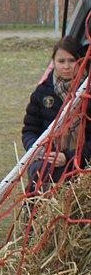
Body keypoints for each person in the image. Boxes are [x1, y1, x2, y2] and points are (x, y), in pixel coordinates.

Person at [22, 36, 91, 192]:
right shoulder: (42, 92)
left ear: (81, 61)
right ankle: (35, 214)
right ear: (53, 62)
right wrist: (40, 151)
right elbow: (29, 130)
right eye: (61, 61)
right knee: (40, 173)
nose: (66, 66)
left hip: (83, 159)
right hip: (48, 159)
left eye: (71, 60)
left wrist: (69, 158)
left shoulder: (88, 93)